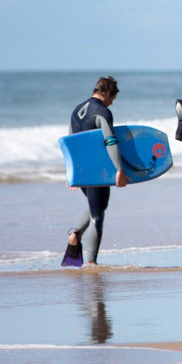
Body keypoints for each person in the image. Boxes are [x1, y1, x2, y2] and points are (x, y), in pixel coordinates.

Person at [66, 76, 129, 266]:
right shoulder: (102, 112)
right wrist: (119, 169)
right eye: (113, 99)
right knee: (97, 215)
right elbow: (110, 140)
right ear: (108, 93)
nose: (111, 103)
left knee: (98, 206)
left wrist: (71, 173)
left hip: (82, 170)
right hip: (98, 170)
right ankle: (91, 262)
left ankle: (77, 234)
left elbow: (70, 142)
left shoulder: (77, 110)